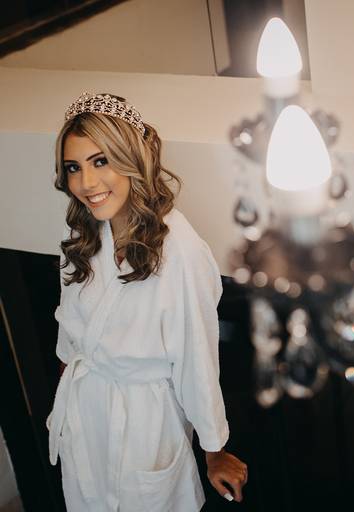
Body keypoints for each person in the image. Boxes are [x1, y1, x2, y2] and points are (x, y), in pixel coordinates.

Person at [46, 91, 247, 511]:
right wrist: (66, 391)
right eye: (74, 167)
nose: (87, 183)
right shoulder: (83, 234)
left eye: (101, 161)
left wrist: (214, 450)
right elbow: (69, 331)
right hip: (86, 410)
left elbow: (196, 359)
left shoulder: (180, 251)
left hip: (145, 423)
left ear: (132, 158)